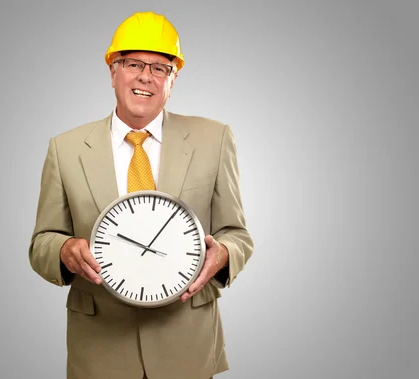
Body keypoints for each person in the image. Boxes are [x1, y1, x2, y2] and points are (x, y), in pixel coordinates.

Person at [29, 11, 253, 379]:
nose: (146, 76)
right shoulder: (65, 149)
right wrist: (63, 251)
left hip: (186, 345)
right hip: (99, 348)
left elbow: (237, 234)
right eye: (133, 63)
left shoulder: (214, 140)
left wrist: (224, 253)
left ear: (173, 79)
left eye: (160, 68)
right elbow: (41, 242)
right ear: (113, 71)